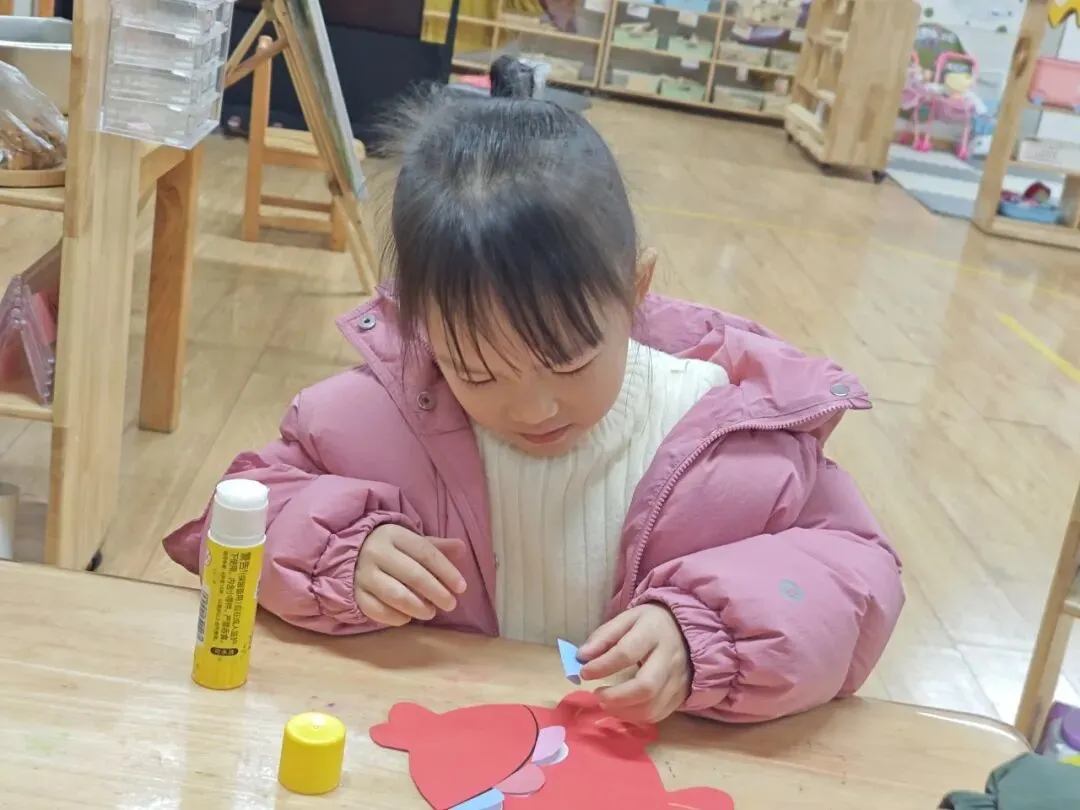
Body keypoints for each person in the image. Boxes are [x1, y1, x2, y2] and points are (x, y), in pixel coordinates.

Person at [163, 69, 904, 726]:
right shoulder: (377, 417)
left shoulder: (728, 433)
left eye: (569, 361)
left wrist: (707, 635)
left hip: (641, 765)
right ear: (421, 327)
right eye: (477, 372)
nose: (532, 409)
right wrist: (333, 552)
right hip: (439, 749)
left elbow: (855, 573)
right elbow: (243, 513)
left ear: (635, 290)